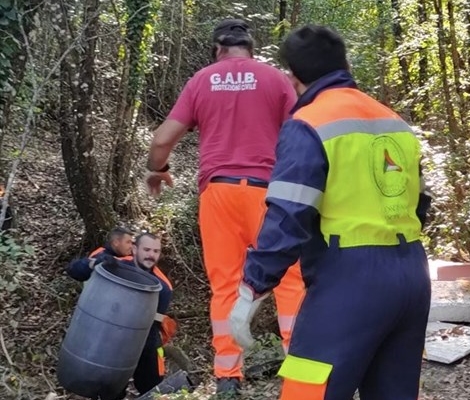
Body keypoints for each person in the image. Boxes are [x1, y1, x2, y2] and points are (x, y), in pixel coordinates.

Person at [226, 25, 433, 400]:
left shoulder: (310, 124)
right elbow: (420, 203)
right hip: (413, 275)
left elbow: (289, 214)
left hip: (349, 281)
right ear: (345, 65)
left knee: (308, 390)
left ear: (293, 77)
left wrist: (253, 286)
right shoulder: (395, 122)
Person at [143, 18, 304, 394]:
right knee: (289, 280)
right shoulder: (276, 79)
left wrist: (158, 170)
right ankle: (299, 370)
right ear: (250, 48)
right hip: (270, 194)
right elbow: (304, 131)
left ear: (217, 49)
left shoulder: (202, 80)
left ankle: (228, 377)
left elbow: (162, 139)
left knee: (226, 285)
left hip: (218, 195)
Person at [66, 233, 173, 399]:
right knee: (108, 390)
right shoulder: (115, 264)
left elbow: (153, 325)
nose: (151, 255)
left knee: (154, 387)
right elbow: (74, 270)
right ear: (135, 249)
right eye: (146, 250)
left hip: (145, 340)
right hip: (108, 337)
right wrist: (93, 264)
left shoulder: (163, 287)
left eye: (156, 251)